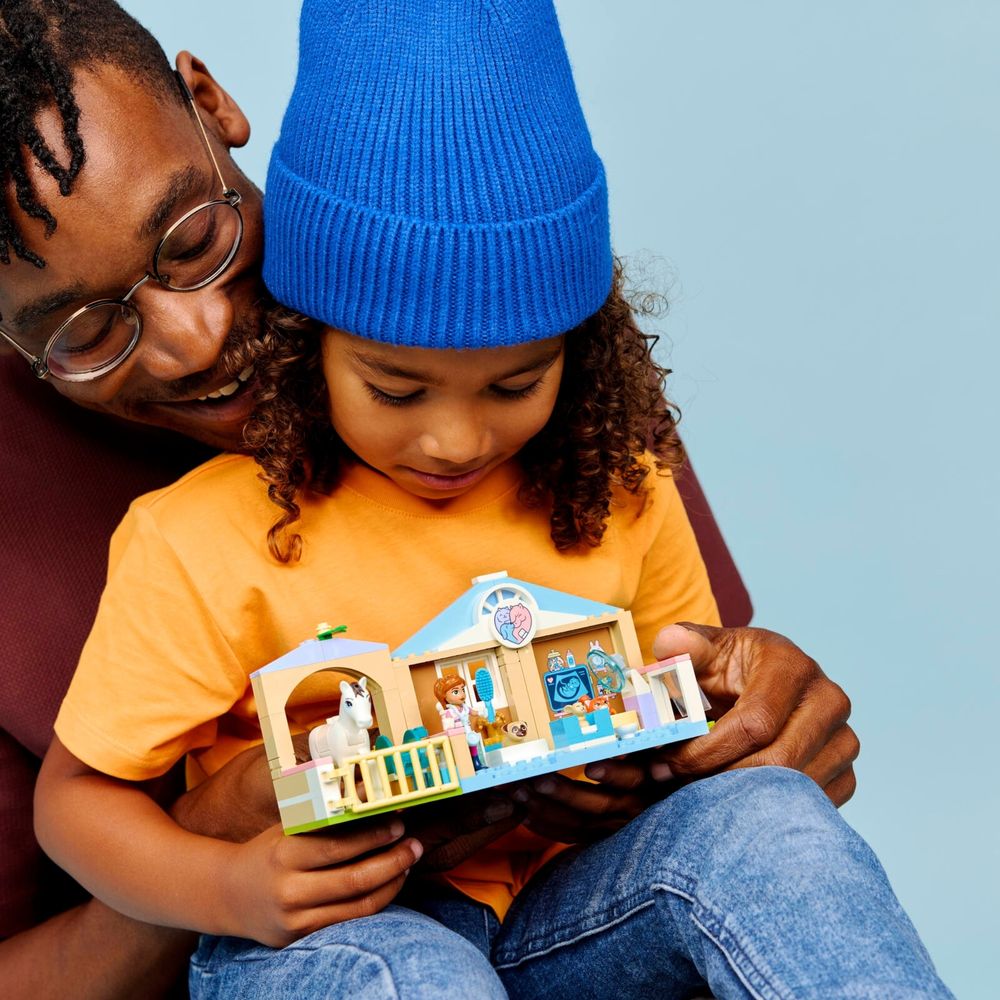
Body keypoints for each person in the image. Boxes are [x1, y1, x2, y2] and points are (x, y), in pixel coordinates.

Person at [32, 2, 951, 996]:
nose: (457, 440)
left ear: (579, 354)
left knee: (767, 823)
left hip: (565, 914)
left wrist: (692, 741)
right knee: (418, 972)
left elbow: (688, 696)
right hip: (334, 938)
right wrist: (226, 888)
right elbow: (77, 803)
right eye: (396, 390)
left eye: (516, 384)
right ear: (305, 343)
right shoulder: (201, 536)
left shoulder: (616, 483)